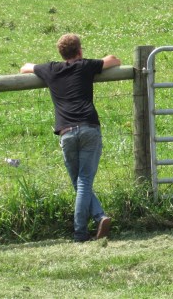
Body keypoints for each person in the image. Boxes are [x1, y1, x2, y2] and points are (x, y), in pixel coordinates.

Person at [21, 33, 121, 242]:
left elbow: (25, 67)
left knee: (79, 182)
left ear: (61, 53)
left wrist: (38, 67)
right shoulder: (85, 66)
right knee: (83, 182)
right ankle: (87, 227)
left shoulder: (51, 69)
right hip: (89, 128)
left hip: (66, 132)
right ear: (80, 51)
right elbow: (114, 60)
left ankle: (92, 223)